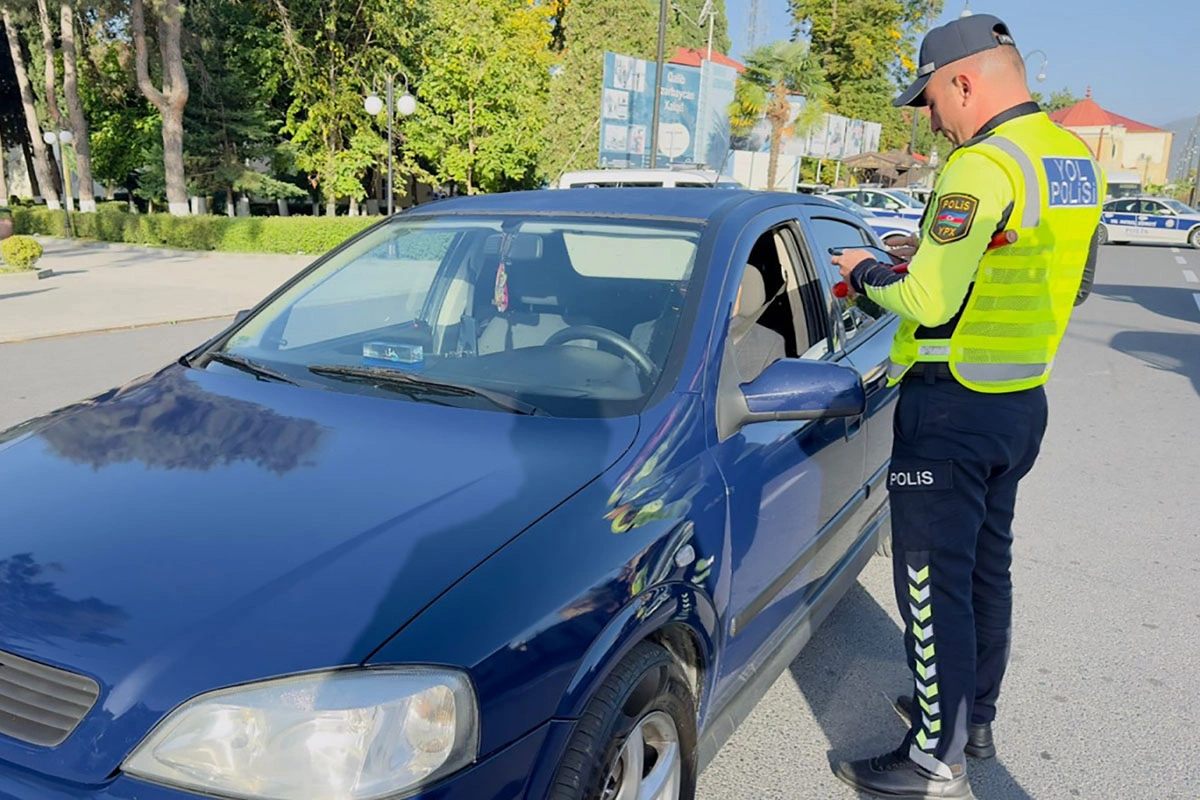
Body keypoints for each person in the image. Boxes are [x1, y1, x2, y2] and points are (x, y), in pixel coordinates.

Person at [828, 13, 1104, 800]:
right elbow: (1068, 276)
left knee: (927, 578)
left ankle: (931, 756)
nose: (934, 119)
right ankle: (972, 717)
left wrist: (861, 270)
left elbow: (922, 296)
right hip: (1017, 402)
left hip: (949, 411)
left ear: (965, 80)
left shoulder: (983, 165)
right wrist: (955, 257)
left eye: (933, 101)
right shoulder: (1068, 158)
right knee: (986, 568)